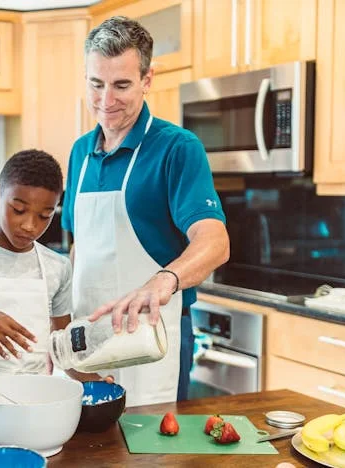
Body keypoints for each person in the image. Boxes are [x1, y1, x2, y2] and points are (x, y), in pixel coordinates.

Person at [62, 16, 230, 407]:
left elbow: (215, 241)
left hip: (154, 338)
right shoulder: (80, 152)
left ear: (147, 79)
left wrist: (164, 280)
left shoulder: (177, 148)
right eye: (96, 84)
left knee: (150, 438)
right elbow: (79, 249)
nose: (106, 101)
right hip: (90, 338)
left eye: (121, 85)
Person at [0, 150, 105, 429]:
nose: (29, 226)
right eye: (19, 210)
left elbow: (62, 348)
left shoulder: (58, 267)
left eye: (45, 215)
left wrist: (92, 379)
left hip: (36, 407)